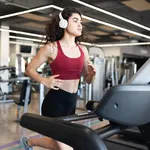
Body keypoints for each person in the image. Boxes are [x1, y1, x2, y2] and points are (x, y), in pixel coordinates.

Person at [20, 7, 96, 150]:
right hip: (55, 103)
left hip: (72, 102)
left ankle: (29, 142)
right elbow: (29, 69)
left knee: (60, 144)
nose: (80, 24)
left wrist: (92, 74)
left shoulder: (83, 50)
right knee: (66, 147)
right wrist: (44, 80)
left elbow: (87, 80)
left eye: (81, 22)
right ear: (63, 23)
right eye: (75, 20)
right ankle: (29, 142)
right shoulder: (51, 48)